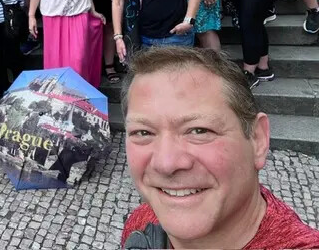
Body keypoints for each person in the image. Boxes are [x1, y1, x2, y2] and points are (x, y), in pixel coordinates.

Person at [121, 47, 319, 249]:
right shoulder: (141, 224)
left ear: (258, 140)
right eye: (143, 133)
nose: (166, 164)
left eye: (199, 130)